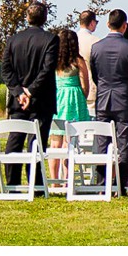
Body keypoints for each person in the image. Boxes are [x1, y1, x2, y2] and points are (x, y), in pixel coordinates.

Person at [2, 3, 59, 189]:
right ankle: (35, 184)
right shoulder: (51, 40)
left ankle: (12, 184)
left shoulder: (13, 40)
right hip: (41, 100)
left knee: (15, 140)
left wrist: (19, 91)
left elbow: (6, 70)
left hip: (19, 100)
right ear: (45, 18)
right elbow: (47, 69)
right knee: (37, 143)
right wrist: (30, 91)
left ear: (27, 17)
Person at [88, 9, 128, 194]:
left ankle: (102, 183)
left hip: (103, 98)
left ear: (107, 24)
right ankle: (121, 184)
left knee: (101, 142)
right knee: (124, 143)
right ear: (124, 26)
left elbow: (96, 76)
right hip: (125, 99)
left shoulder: (96, 47)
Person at [49, 27, 90, 184]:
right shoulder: (78, 61)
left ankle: (54, 180)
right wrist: (82, 96)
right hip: (73, 99)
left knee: (55, 142)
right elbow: (85, 84)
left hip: (57, 99)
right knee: (69, 142)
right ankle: (67, 178)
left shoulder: (54, 61)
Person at [76, 10, 101, 117]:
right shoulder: (96, 41)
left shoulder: (71, 39)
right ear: (92, 23)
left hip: (74, 86)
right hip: (91, 88)